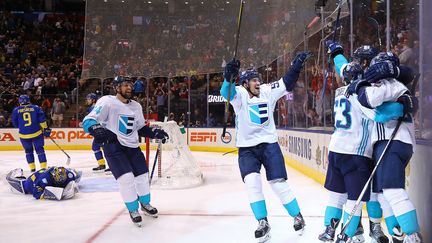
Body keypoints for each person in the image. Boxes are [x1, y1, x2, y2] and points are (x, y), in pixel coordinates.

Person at [219, 52, 311, 242]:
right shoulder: (240, 95)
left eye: (258, 79)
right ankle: (263, 222)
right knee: (252, 184)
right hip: (247, 149)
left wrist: (297, 65)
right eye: (254, 80)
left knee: (278, 184)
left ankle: (297, 216)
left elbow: (287, 82)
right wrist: (228, 76)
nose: (258, 83)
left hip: (269, 145)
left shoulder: (268, 90)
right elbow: (224, 92)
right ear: (245, 84)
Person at [347, 52, 423, 243]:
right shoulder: (398, 85)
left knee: (392, 190)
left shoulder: (388, 83)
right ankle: (398, 232)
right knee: (381, 194)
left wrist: (360, 86)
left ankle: (412, 234)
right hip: (396, 142)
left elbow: (372, 103)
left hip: (391, 140)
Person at [82, 76, 169, 227]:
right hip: (113, 146)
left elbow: (140, 128)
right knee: (126, 179)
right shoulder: (107, 101)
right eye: (125, 85)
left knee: (142, 176)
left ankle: (145, 204)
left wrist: (154, 133)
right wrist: (96, 129)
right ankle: (133, 209)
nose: (129, 87)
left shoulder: (136, 106)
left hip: (133, 146)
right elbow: (89, 120)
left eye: (130, 85)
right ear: (117, 88)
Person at [12, 95, 51, 172]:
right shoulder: (36, 108)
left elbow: (15, 123)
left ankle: (32, 169)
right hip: (37, 133)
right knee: (40, 150)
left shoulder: (16, 110)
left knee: (28, 152)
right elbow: (42, 120)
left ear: (20, 101)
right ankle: (43, 168)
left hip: (23, 135)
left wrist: (22, 126)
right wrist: (45, 128)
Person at [6, 166, 81, 200]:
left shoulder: (69, 174)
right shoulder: (44, 180)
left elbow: (77, 174)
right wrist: (52, 195)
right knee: (25, 187)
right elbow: (36, 194)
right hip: (31, 182)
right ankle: (17, 174)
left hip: (43, 172)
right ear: (53, 177)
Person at [85, 93, 109, 173]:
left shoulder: (96, 108)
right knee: (95, 147)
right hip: (98, 131)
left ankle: (111, 165)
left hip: (103, 130)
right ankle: (102, 164)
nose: (87, 101)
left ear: (93, 100)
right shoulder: (91, 108)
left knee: (106, 148)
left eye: (88, 99)